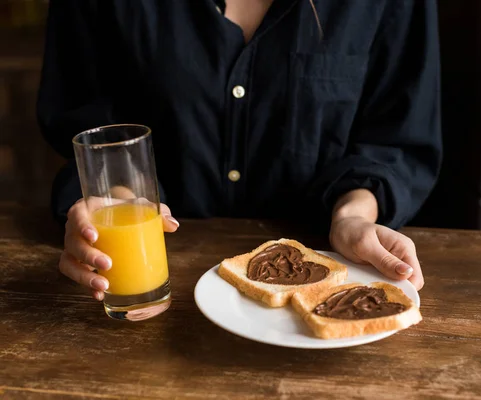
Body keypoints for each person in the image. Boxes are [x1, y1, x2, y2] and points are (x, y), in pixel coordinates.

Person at [37, 0, 441, 301]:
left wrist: (353, 216)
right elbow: (90, 126)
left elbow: (395, 135)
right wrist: (120, 203)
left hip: (329, 275)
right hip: (154, 287)